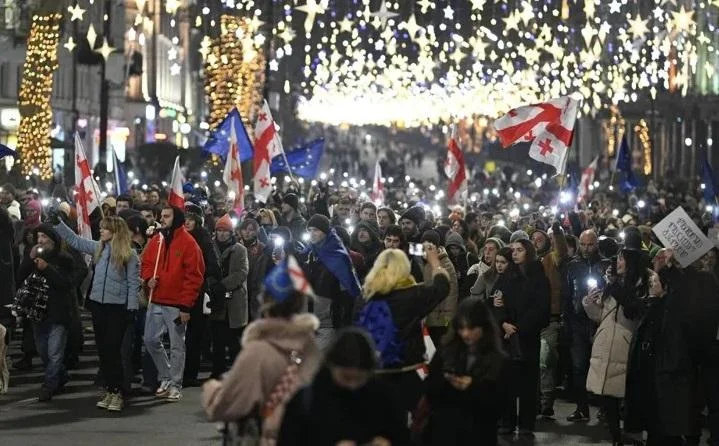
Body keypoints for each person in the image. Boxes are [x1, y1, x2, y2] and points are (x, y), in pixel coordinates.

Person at [201, 262, 321, 445]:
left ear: (265, 301)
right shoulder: (312, 348)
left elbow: (226, 406)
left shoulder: (258, 351)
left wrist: (212, 390)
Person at [52, 214, 140, 412]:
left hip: (118, 308)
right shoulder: (98, 247)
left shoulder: (129, 255)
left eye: (105, 228)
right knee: (103, 350)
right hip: (98, 306)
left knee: (113, 350)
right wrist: (58, 224)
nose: (101, 230)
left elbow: (133, 283)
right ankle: (109, 389)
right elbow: (75, 240)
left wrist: (132, 308)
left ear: (116, 231)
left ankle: (117, 392)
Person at [356, 247, 450, 413]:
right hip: (408, 374)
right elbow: (442, 286)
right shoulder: (413, 296)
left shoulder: (363, 298)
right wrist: (435, 262)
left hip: (373, 375)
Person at [278, 328, 410, 446]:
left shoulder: (385, 398)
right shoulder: (307, 400)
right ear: (331, 366)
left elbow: (401, 437)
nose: (352, 385)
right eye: (346, 377)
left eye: (359, 378)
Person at [624, 261, 698, 446]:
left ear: (667, 286)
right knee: (655, 428)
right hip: (650, 376)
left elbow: (683, 288)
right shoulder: (653, 304)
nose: (651, 283)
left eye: (655, 281)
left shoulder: (673, 307)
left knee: (665, 430)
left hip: (666, 376)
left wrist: (672, 268)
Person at [583, 238, 648, 446]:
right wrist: (590, 302)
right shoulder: (613, 286)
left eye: (622, 258)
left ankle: (632, 435)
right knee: (608, 397)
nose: (618, 262)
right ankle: (616, 438)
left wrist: (614, 287)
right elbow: (601, 315)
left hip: (625, 345)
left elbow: (633, 312)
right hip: (605, 343)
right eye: (618, 257)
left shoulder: (641, 285)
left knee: (628, 396)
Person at [141, 205, 205, 401]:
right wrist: (147, 278)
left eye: (167, 216)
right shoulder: (157, 241)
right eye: (162, 216)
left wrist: (186, 306)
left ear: (175, 218)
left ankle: (175, 384)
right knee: (150, 339)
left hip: (176, 304)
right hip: (156, 300)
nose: (163, 219)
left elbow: (193, 277)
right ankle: (167, 375)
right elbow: (146, 263)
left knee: (177, 345)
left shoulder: (188, 243)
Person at [424, 298, 508, 446]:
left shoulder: (496, 359)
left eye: (471, 328)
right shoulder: (446, 351)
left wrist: (473, 387)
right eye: (462, 328)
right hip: (445, 432)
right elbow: (430, 389)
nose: (466, 334)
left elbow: (499, 403)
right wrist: (446, 381)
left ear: (483, 327)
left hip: (478, 433)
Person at [16, 224, 75, 401]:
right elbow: (20, 277)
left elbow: (66, 284)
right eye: (38, 237)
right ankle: (60, 375)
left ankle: (49, 385)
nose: (40, 240)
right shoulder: (33, 256)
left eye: (44, 237)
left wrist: (47, 269)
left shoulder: (64, 259)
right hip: (38, 312)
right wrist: (29, 259)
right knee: (43, 351)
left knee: (55, 352)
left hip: (58, 312)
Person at [499, 238, 550, 437]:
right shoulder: (508, 277)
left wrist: (519, 328)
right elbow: (497, 301)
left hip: (527, 337)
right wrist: (503, 322)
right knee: (507, 381)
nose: (515, 253)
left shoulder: (538, 278)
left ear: (528, 252)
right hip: (507, 335)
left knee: (528, 382)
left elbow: (541, 309)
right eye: (513, 250)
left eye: (519, 250)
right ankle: (507, 421)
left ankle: (527, 422)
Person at [563, 229, 606, 422]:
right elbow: (566, 295)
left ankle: (605, 410)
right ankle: (582, 408)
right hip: (577, 322)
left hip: (599, 322)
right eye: (583, 244)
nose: (587, 248)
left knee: (600, 366)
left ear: (596, 244)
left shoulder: (604, 265)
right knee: (579, 366)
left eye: (590, 244)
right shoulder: (573, 266)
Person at [301, 214, 362, 349]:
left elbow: (348, 293)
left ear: (326, 232)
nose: (312, 234)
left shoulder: (338, 257)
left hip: (329, 321)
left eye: (316, 230)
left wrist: (342, 324)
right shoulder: (309, 254)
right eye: (309, 230)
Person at [183, 204, 222, 387]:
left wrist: (196, 274)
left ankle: (190, 373)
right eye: (185, 218)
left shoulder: (203, 238)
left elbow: (213, 266)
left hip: (197, 291)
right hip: (179, 291)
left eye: (191, 218)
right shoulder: (178, 237)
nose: (187, 222)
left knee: (194, 335)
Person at [209, 215, 249, 378]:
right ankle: (217, 370)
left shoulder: (240, 249)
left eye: (225, 231)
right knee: (217, 340)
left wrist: (223, 285)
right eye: (219, 230)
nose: (222, 234)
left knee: (234, 341)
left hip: (234, 300)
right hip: (216, 301)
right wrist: (212, 284)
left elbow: (241, 273)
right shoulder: (210, 248)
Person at [420, 230, 459, 345]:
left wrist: (448, 318)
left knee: (442, 347)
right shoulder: (426, 261)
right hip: (431, 314)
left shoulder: (444, 263)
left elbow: (452, 292)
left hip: (440, 318)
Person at [238, 218, 271, 321]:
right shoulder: (234, 246)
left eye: (251, 230)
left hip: (254, 291)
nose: (247, 232)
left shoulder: (262, 248)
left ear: (256, 232)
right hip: (238, 290)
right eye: (244, 229)